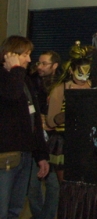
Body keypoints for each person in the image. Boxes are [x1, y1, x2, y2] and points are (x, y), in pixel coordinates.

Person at [0, 36, 50, 219]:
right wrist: (14, 70)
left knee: (16, 208)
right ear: (10, 55)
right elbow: (11, 97)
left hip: (26, 154)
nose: (29, 60)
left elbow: (34, 120)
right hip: (5, 156)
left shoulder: (24, 80)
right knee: (2, 209)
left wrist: (41, 155)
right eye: (25, 55)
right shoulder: (8, 78)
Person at [46, 57, 92, 183]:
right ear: (71, 71)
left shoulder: (93, 87)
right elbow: (50, 121)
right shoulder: (60, 89)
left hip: (88, 140)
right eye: (80, 73)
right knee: (67, 185)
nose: (84, 78)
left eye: (87, 73)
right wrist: (69, 113)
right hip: (65, 141)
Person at [28, 52, 62, 219]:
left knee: (53, 185)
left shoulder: (62, 85)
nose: (39, 67)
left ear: (54, 66)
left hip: (55, 140)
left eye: (44, 63)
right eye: (38, 63)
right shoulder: (31, 81)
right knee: (33, 185)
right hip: (36, 137)